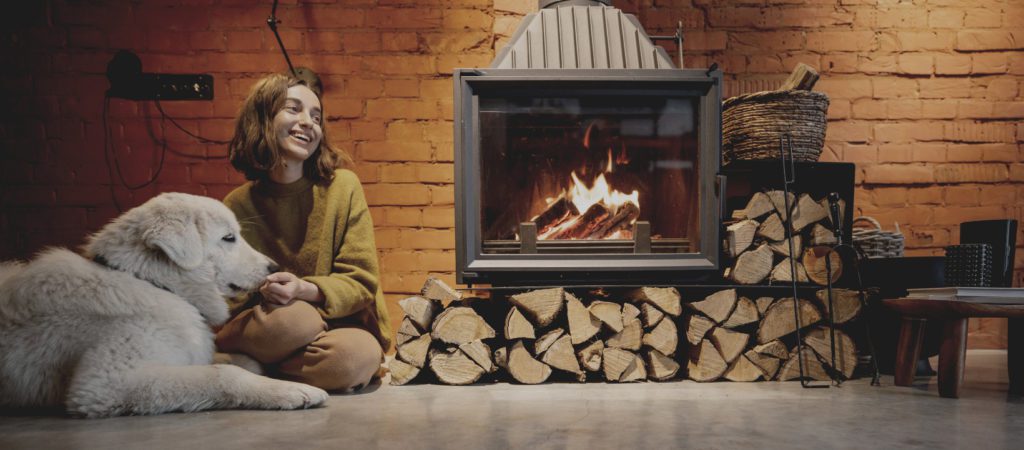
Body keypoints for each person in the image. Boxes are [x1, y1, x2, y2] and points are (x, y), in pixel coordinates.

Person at [214, 72, 392, 392]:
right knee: (294, 321)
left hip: (339, 327)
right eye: (293, 109)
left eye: (316, 116)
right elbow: (227, 296)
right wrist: (264, 291)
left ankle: (252, 370)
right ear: (263, 119)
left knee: (348, 360)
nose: (308, 122)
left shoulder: (344, 187)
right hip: (272, 323)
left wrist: (303, 290)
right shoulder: (236, 205)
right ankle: (270, 363)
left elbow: (361, 281)